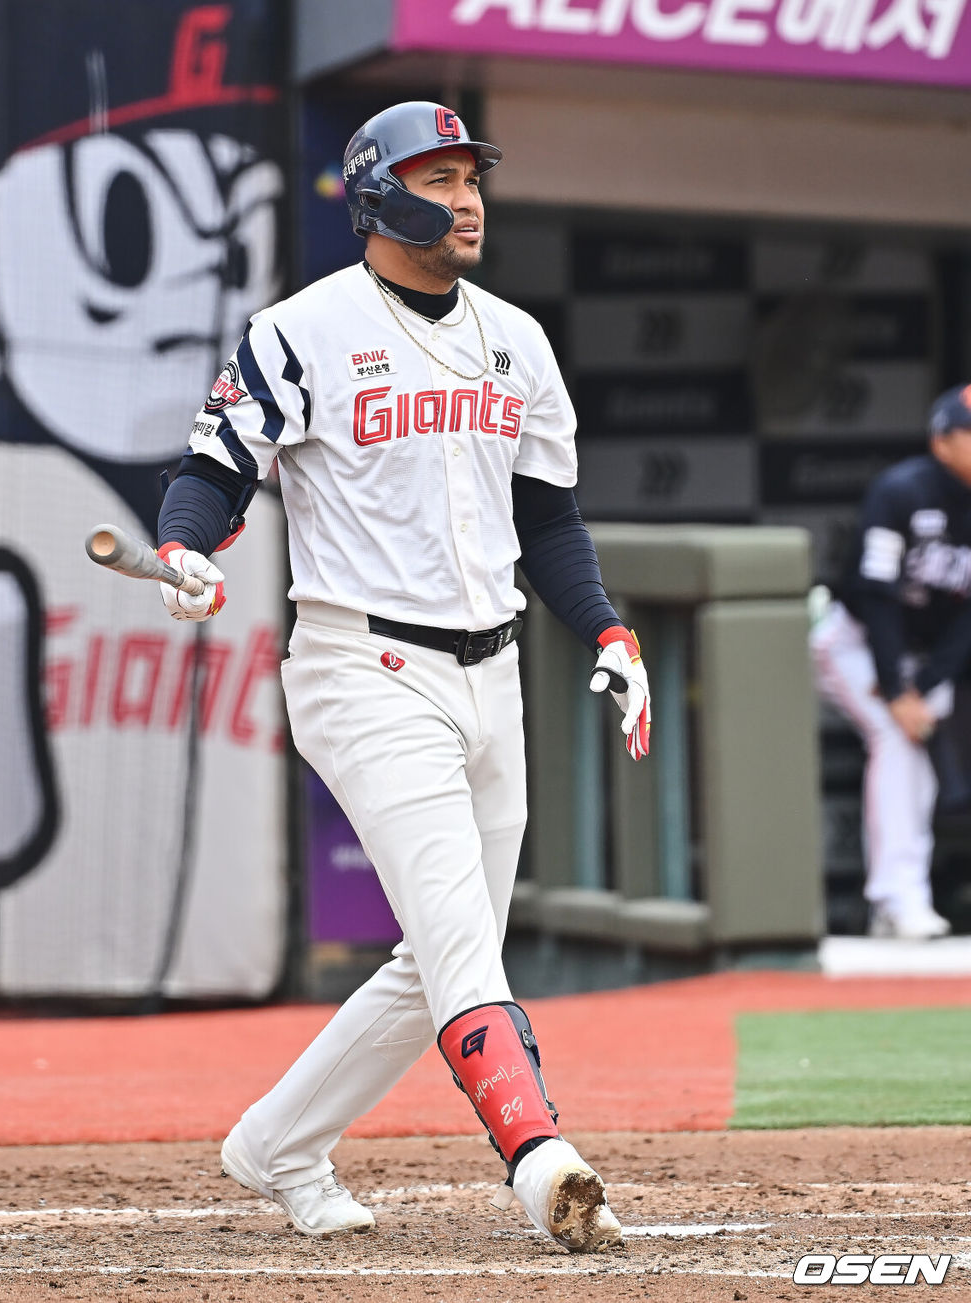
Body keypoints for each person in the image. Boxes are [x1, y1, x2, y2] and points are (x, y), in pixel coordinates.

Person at [155, 101, 651, 1251]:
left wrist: (608, 630)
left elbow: (548, 517)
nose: (468, 195)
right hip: (362, 663)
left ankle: (278, 1141)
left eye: (473, 173)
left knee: (441, 948)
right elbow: (215, 469)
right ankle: (540, 1157)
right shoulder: (301, 330)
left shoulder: (515, 338)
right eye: (440, 174)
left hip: (495, 666)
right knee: (462, 941)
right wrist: (183, 547)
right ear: (377, 192)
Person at [810, 384, 971, 940]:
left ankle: (898, 900)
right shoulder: (902, 491)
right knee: (897, 738)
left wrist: (922, 686)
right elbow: (874, 596)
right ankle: (897, 898)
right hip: (856, 641)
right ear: (942, 439)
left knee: (918, 766)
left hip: (924, 657)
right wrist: (895, 688)